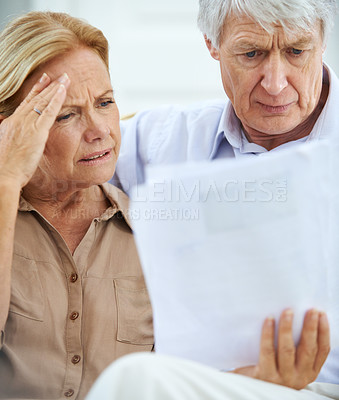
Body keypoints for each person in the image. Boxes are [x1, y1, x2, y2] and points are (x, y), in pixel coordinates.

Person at [89, 0, 339, 399]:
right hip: (191, 386)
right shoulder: (161, 142)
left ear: (323, 41)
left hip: (325, 389)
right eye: (251, 53)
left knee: (136, 381)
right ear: (212, 44)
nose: (276, 83)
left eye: (296, 51)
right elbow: (53, 163)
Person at [0, 11, 153, 399]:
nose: (100, 131)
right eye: (66, 114)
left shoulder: (152, 235)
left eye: (105, 103)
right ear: (10, 126)